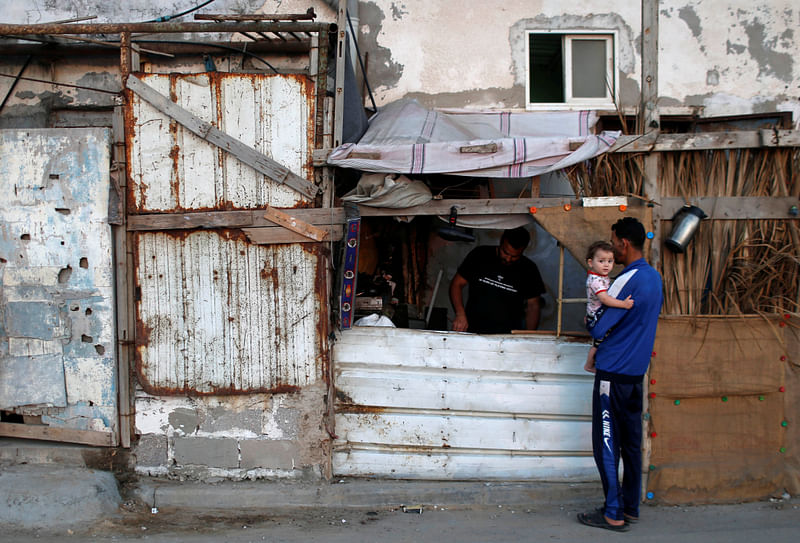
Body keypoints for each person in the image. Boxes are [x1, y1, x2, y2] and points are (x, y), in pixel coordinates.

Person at [577, 217, 663, 532]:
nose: (612, 250)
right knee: (631, 442)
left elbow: (599, 325)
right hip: (636, 373)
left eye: (614, 243)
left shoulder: (627, 279)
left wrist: (589, 324)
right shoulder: (655, 278)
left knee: (607, 442)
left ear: (624, 243)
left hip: (612, 372)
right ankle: (631, 507)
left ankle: (613, 513)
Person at [449, 227, 545, 334]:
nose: (508, 259)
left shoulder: (529, 269)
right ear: (501, 242)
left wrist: (528, 336)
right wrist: (460, 314)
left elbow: (533, 305)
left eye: (514, 256)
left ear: (523, 250)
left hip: (507, 336)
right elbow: (457, 284)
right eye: (505, 252)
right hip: (473, 330)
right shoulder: (480, 255)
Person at [583, 240, 634, 373]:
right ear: (590, 263)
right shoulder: (596, 281)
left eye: (610, 261)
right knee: (597, 343)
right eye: (601, 261)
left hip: (595, 315)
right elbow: (605, 299)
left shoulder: (600, 277)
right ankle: (589, 365)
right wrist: (623, 304)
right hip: (597, 318)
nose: (606, 265)